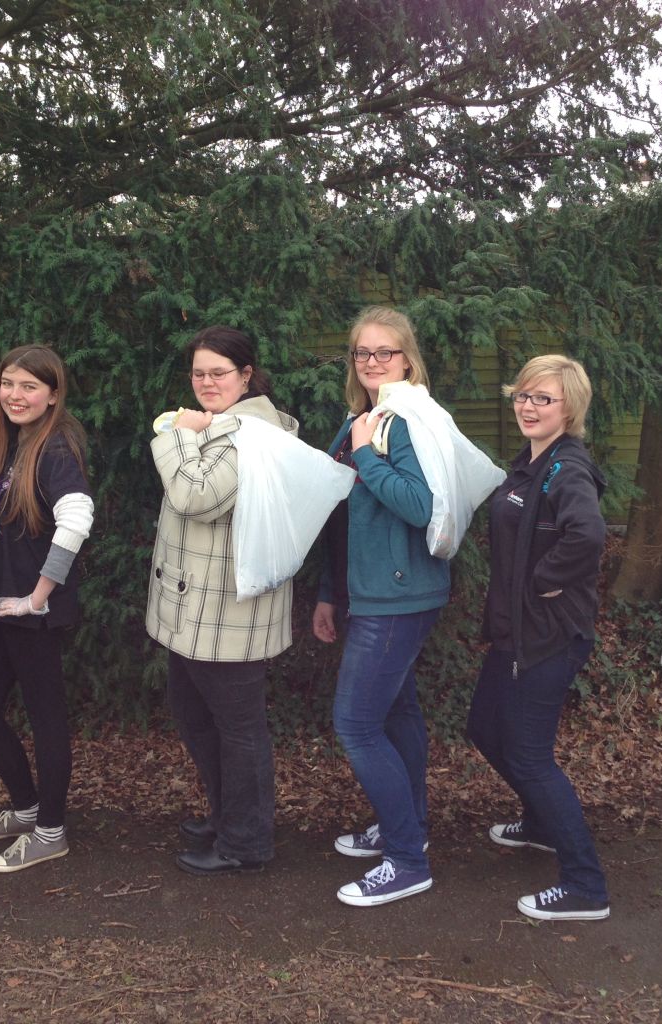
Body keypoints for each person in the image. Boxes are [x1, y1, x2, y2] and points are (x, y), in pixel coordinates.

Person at [146, 327, 297, 875]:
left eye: (219, 373)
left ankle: (246, 843)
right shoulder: (223, 425)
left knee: (238, 730)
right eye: (199, 373)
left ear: (246, 375)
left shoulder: (254, 432)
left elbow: (196, 496)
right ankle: (227, 816)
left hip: (230, 614)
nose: (207, 383)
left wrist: (179, 433)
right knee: (197, 718)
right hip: (198, 608)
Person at [466, 355, 611, 922]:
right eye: (523, 396)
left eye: (542, 399)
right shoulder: (531, 463)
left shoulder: (566, 468)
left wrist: (542, 583)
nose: (528, 406)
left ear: (569, 407)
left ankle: (585, 886)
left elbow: (588, 535)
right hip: (515, 635)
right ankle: (541, 824)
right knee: (483, 726)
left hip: (549, 637)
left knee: (529, 756)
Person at [313, 306, 448, 907]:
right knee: (396, 716)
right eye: (362, 354)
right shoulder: (363, 418)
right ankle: (407, 826)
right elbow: (342, 514)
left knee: (356, 724)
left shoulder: (406, 421)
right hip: (370, 592)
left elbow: (421, 506)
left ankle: (406, 859)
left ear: (407, 360)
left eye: (384, 353)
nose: (371, 363)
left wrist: (367, 455)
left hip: (398, 595)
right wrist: (327, 593)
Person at [0, 345, 94, 873]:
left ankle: (50, 832)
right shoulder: (16, 444)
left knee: (46, 722)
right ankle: (26, 807)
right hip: (2, 609)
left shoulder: (56, 449)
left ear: (53, 395)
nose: (16, 395)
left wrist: (38, 598)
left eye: (29, 387)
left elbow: (78, 517)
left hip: (32, 614)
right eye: (8, 384)